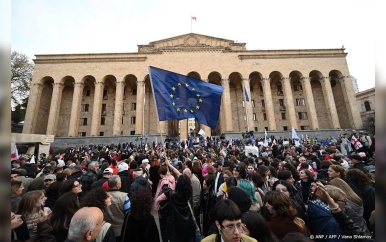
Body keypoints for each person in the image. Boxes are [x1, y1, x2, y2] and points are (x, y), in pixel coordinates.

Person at [163, 158, 196, 242]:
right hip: (187, 223)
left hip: (176, 225)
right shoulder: (188, 192)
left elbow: (165, 188)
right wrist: (169, 165)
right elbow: (181, 176)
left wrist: (167, 178)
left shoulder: (173, 195)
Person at [104, 175, 130, 241]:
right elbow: (128, 214)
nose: (121, 183)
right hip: (121, 230)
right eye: (120, 182)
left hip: (106, 230)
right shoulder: (124, 196)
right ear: (117, 184)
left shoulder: (103, 196)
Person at [153, 164, 176, 242]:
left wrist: (157, 201)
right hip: (171, 204)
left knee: (163, 226)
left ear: (161, 174)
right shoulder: (172, 179)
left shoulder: (164, 182)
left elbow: (164, 194)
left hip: (163, 206)